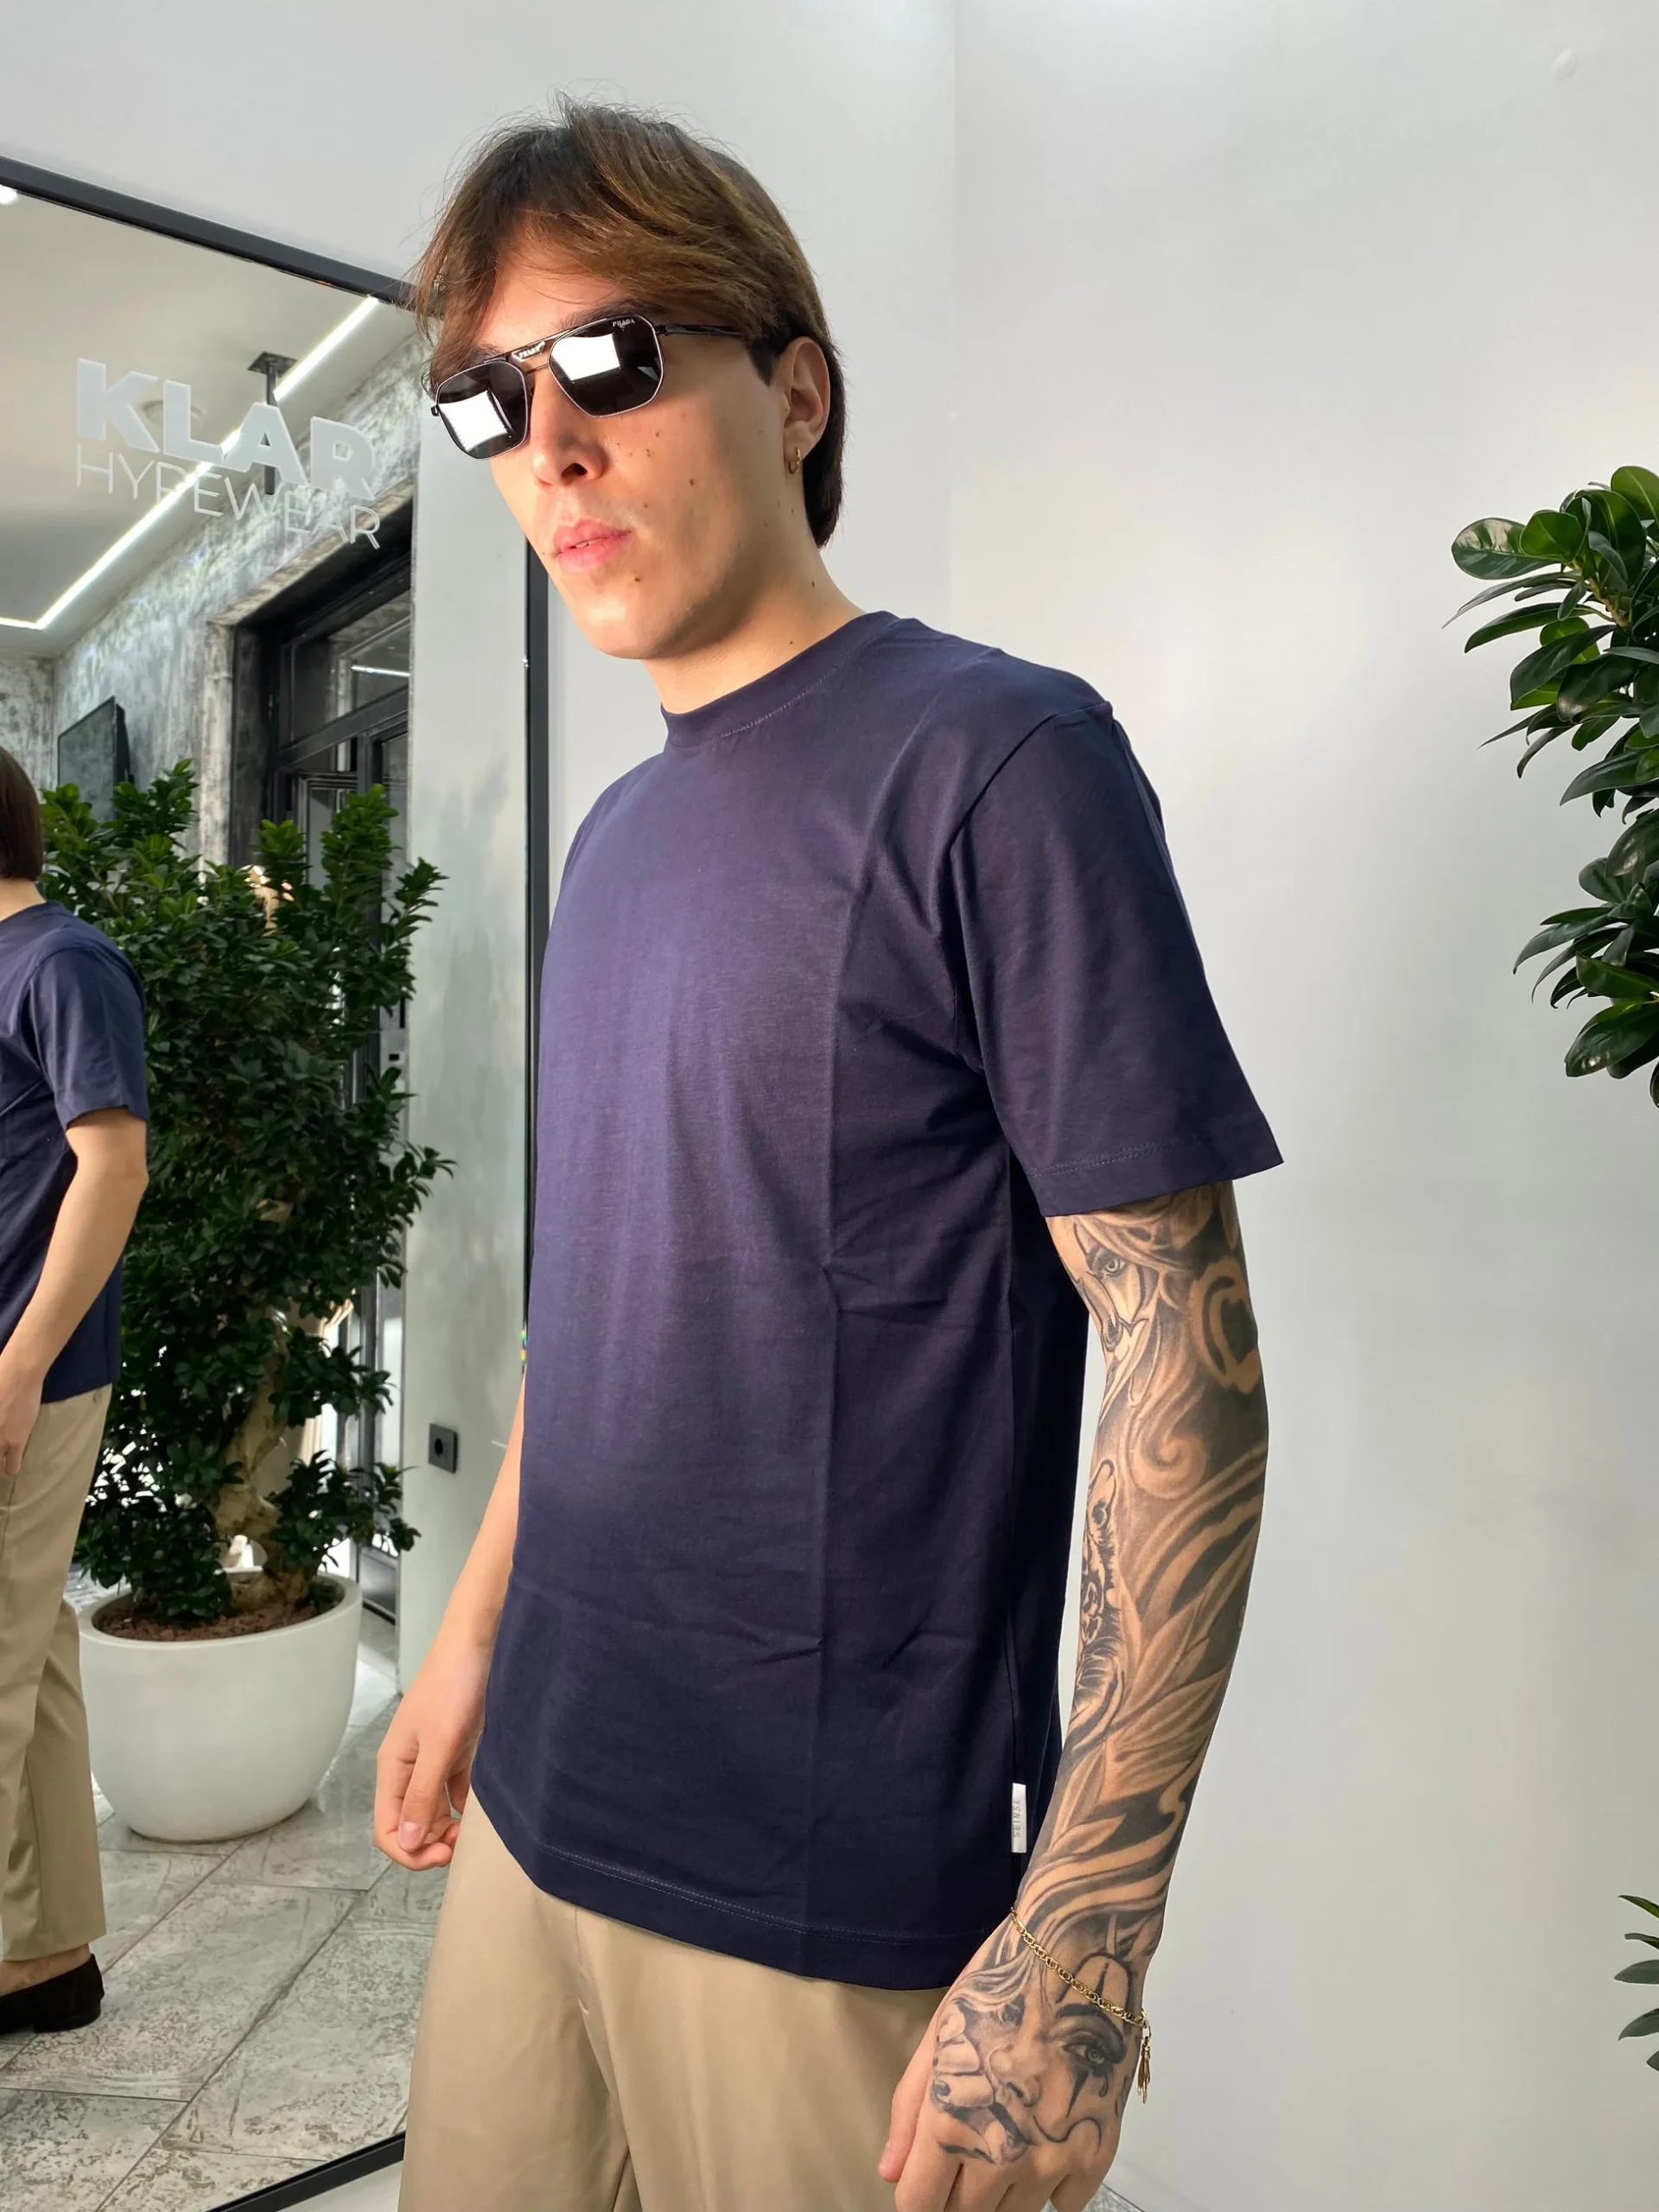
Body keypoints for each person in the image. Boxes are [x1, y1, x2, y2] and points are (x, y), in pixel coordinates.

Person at [378, 101, 1279, 2212]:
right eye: (490, 401)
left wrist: (1082, 1936)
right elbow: (600, 1313)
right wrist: (474, 1632)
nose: (549, 445)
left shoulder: (999, 759)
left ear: (796, 391)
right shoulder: (615, 841)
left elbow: (1185, 1353)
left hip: (822, 1881)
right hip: (541, 1813)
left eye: (608, 362)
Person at [0, 746, 149, 2037]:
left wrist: (20, 1365)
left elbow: (113, 1168)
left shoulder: (61, 961)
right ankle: (44, 1958)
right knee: (30, 1654)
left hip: (20, 1371)